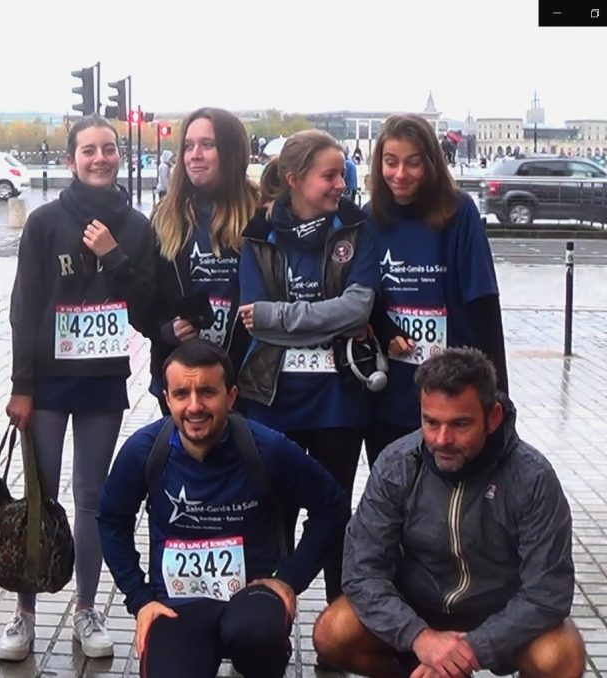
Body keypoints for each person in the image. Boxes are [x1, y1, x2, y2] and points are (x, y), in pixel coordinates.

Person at [313, 348, 586, 678]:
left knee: (562, 656)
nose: (442, 439)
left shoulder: (532, 479)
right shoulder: (396, 465)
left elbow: (548, 593)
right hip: (416, 609)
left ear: (493, 417)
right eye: (431, 422)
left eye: (460, 424)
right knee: (332, 632)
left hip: (499, 615)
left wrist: (470, 649)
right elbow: (362, 571)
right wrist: (419, 637)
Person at [0, 115, 156, 662]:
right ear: (71, 160)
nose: (99, 158)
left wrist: (114, 254)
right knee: (38, 498)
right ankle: (24, 613)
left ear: (120, 156)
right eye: (88, 150)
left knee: (90, 498)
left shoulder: (137, 226)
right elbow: (23, 308)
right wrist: (21, 385)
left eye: (108, 149)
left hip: (102, 382)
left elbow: (146, 306)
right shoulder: (44, 223)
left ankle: (86, 607)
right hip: (45, 381)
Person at [98, 339, 347, 678]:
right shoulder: (144, 450)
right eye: (182, 394)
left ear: (231, 396)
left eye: (208, 392)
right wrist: (140, 599)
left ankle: (263, 657)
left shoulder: (268, 448)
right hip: (176, 604)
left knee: (256, 634)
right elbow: (112, 520)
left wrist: (289, 580)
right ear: (166, 398)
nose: (195, 406)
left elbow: (331, 506)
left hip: (252, 599)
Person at [235, 129, 380, 603]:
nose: (342, 184)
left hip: (339, 401)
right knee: (273, 516)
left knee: (334, 512)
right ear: (295, 179)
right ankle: (266, 617)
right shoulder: (258, 234)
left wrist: (281, 317)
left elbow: (357, 309)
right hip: (272, 399)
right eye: (330, 175)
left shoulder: (357, 230)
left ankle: (339, 623)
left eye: (343, 174)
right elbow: (254, 323)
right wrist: (325, 318)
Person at [363, 114, 506, 466]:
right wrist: (384, 329)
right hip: (389, 391)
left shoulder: (459, 212)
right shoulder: (369, 217)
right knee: (393, 497)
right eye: (391, 162)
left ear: (430, 161)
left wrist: (498, 394)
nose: (400, 174)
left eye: (413, 163)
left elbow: (484, 304)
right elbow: (360, 298)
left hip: (452, 394)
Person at [144, 108, 260, 416]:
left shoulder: (261, 213)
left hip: (245, 378)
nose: (195, 155)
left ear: (231, 151)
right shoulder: (165, 216)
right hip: (182, 375)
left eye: (207, 145)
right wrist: (166, 330)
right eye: (188, 146)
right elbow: (146, 296)